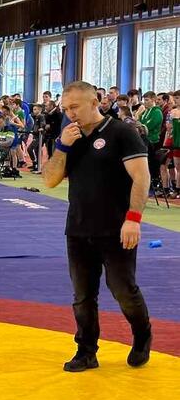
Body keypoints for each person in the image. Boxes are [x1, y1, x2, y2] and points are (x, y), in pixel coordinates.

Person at [41, 81, 152, 372]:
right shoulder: (70, 137)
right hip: (78, 229)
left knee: (123, 290)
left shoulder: (122, 133)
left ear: (95, 103)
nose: (70, 113)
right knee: (82, 296)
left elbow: (142, 178)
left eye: (75, 107)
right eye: (66, 108)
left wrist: (133, 219)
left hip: (116, 228)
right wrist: (62, 145)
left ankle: (142, 334)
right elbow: (49, 180)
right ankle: (86, 351)